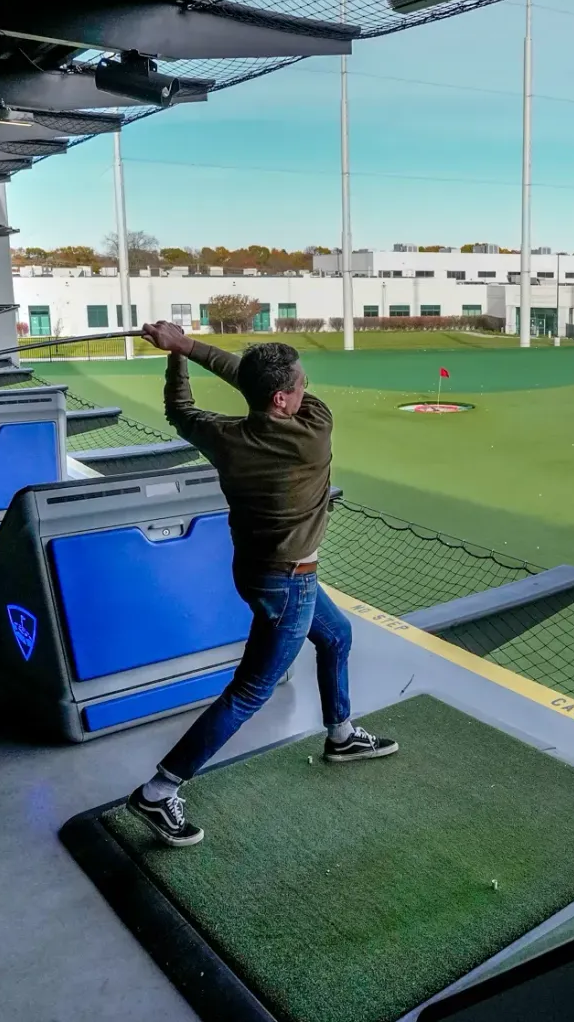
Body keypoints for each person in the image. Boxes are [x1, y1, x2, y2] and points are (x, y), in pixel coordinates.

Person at [126, 321, 397, 847]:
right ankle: (159, 790)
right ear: (283, 399)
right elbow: (241, 375)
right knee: (250, 692)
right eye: (299, 382)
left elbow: (181, 410)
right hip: (291, 584)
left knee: (337, 637)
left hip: (257, 573)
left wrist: (176, 354)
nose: (306, 387)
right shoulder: (314, 427)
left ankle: (340, 735)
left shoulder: (226, 440)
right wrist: (186, 345)